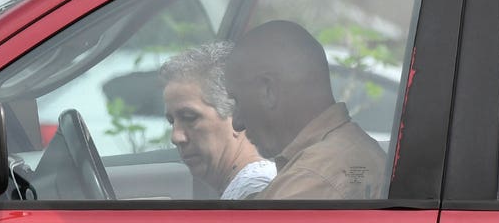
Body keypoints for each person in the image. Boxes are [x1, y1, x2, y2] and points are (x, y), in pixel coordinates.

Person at [224, 20, 386, 199]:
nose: (237, 123)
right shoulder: (350, 150)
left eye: (238, 101)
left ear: (268, 90)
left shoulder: (311, 180)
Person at [159, 41, 276, 200]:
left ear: (238, 115)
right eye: (172, 121)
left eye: (189, 118)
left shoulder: (255, 193)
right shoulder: (246, 188)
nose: (176, 137)